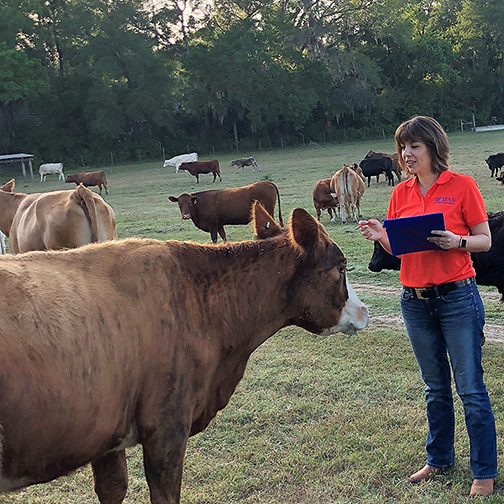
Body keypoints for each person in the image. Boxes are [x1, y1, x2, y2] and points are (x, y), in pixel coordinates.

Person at [359, 116, 497, 496]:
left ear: (433, 148)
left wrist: (458, 242)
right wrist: (382, 237)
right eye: (403, 147)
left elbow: (484, 240)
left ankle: (483, 472)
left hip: (457, 298)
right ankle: (438, 459)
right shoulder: (400, 193)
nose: (406, 154)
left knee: (470, 388)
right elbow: (402, 250)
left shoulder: (463, 186)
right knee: (434, 388)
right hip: (414, 301)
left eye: (414, 146)